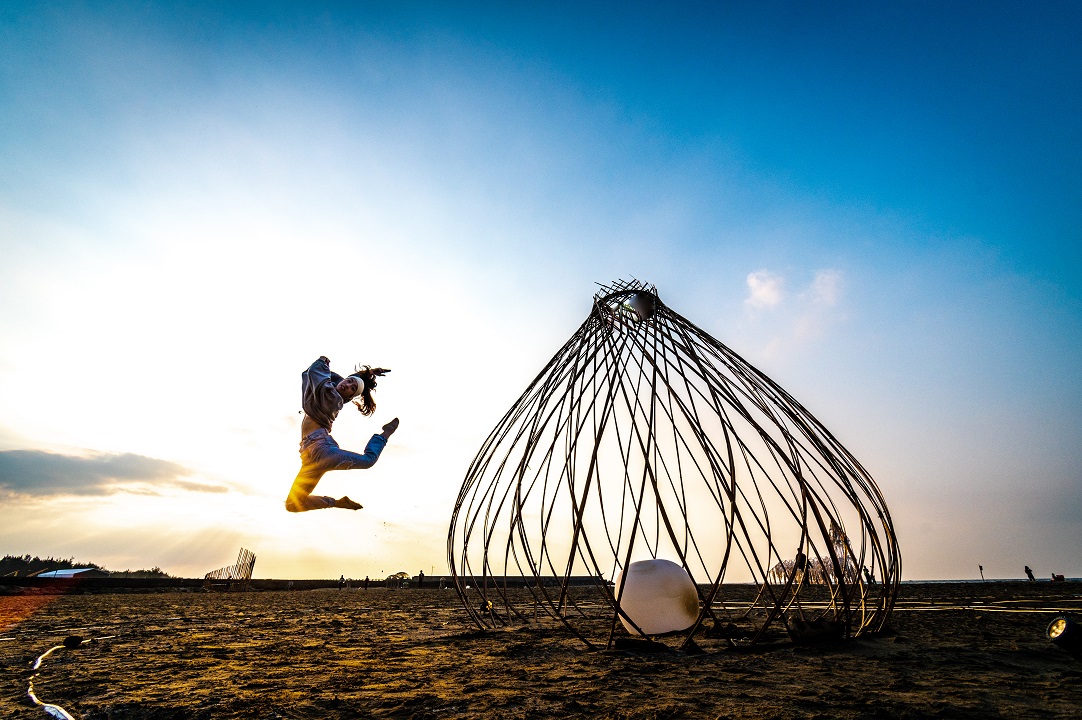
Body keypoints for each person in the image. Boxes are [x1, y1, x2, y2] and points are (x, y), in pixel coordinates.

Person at [285, 356, 400, 512]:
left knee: (368, 461)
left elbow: (316, 373)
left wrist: (322, 363)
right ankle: (338, 503)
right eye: (348, 382)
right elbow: (341, 381)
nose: (348, 385)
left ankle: (385, 434)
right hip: (310, 458)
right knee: (292, 505)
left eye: (352, 388)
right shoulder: (330, 392)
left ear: (348, 398)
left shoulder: (333, 399)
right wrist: (367, 373)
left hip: (324, 452)